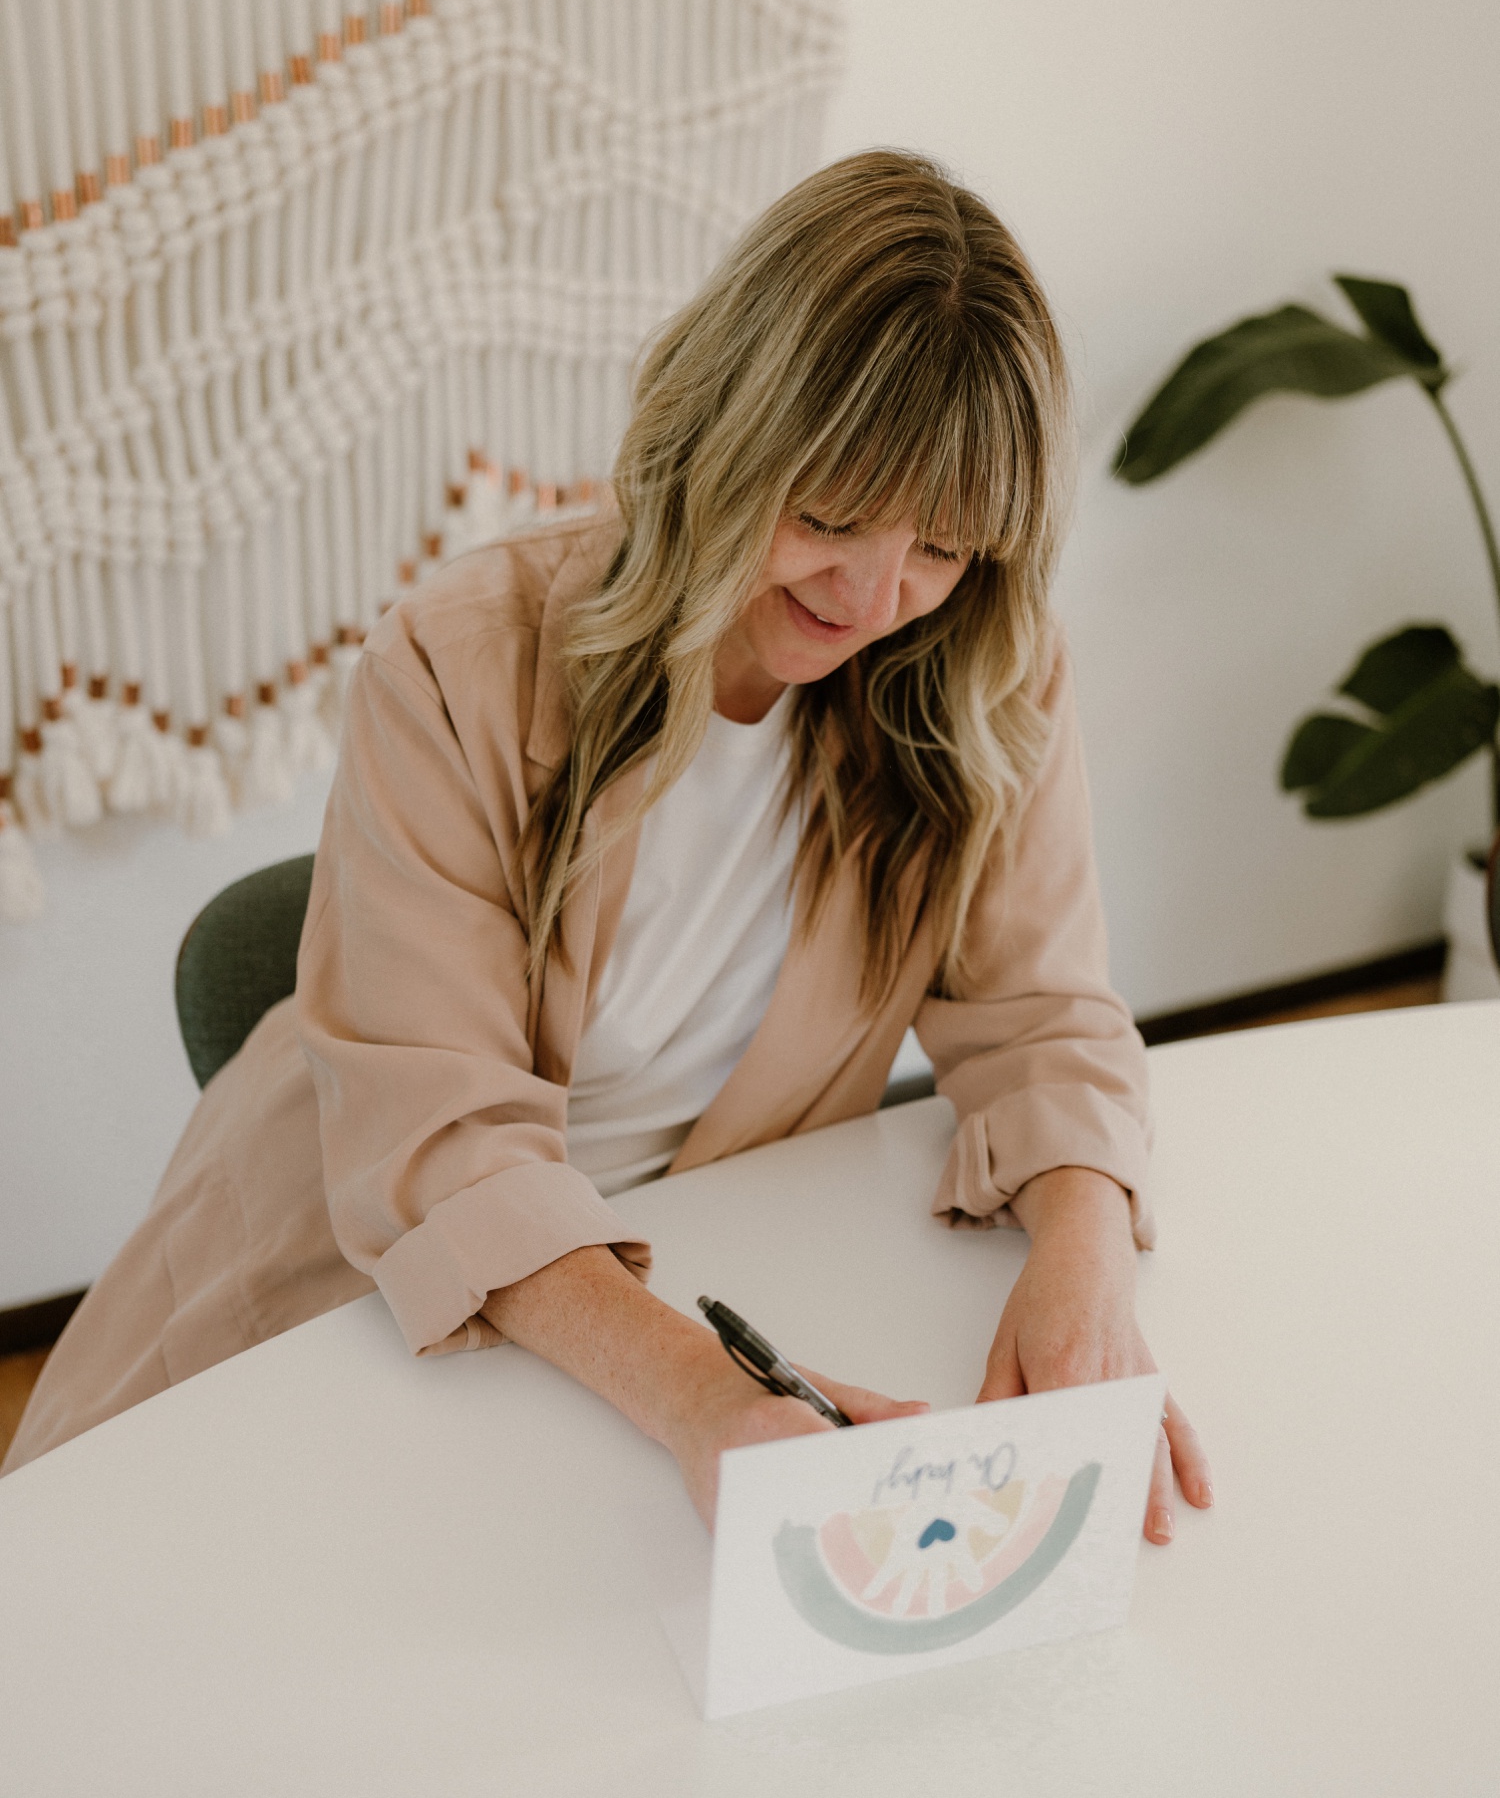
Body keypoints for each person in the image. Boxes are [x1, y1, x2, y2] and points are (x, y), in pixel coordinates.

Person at [7, 152, 1212, 1544]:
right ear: (722, 432)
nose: (876, 598)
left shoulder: (984, 670)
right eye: (826, 516)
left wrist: (1084, 1255)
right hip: (366, 1276)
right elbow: (444, 1147)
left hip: (694, 1280)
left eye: (942, 545)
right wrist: (699, 1397)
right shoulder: (466, 660)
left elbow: (1045, 1014)